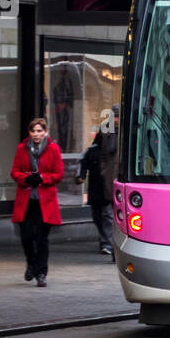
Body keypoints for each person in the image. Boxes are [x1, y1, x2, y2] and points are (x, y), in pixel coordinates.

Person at [11, 117, 63, 287]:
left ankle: (41, 273)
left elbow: (58, 174)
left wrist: (42, 178)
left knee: (41, 238)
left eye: (40, 131)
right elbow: (14, 172)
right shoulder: (21, 148)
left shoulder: (53, 149)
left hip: (45, 201)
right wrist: (26, 178)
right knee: (26, 236)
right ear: (29, 132)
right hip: (26, 200)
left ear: (45, 132)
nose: (36, 134)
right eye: (33, 131)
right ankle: (31, 263)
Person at [76, 108, 117, 256]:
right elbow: (88, 157)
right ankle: (106, 241)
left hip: (108, 184)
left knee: (107, 215)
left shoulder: (117, 134)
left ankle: (107, 243)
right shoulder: (105, 133)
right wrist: (81, 175)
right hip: (98, 184)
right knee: (98, 215)